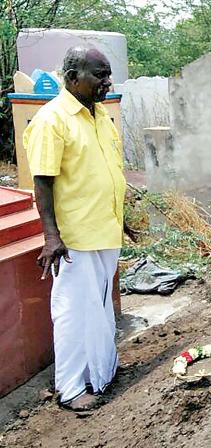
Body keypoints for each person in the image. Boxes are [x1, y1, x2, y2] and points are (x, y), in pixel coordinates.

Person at [23, 47, 125, 412]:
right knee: (72, 310)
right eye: (99, 74)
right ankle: (70, 388)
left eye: (107, 74)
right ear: (71, 77)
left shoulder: (99, 115)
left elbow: (106, 172)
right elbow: (43, 182)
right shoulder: (52, 120)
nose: (106, 82)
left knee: (98, 308)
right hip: (74, 237)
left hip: (104, 229)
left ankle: (100, 374)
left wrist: (121, 217)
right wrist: (51, 236)